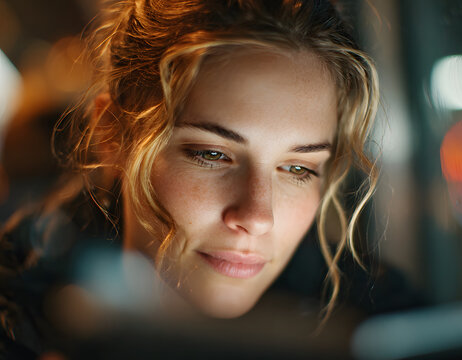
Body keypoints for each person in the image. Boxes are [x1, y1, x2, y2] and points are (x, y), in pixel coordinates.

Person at [0, 0, 379, 357]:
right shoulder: (18, 326)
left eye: (298, 169)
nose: (256, 216)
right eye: (211, 155)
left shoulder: (381, 325)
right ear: (111, 134)